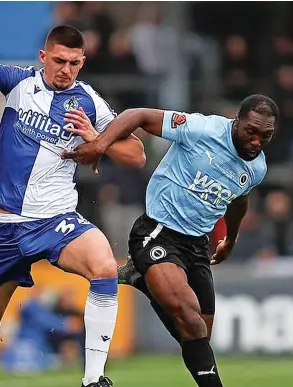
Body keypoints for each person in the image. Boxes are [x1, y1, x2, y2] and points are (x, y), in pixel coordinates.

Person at [0, 12, 146, 387]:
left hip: (55, 220)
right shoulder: (19, 85)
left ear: (82, 63)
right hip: (6, 225)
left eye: (73, 63)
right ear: (43, 57)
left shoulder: (90, 104)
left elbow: (137, 155)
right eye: (59, 61)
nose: (66, 70)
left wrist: (96, 139)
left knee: (103, 265)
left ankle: (94, 379)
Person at [63, 94, 279, 387]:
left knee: (198, 333)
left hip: (197, 246)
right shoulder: (201, 129)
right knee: (189, 318)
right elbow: (137, 114)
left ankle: (142, 279)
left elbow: (239, 201)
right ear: (236, 121)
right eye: (251, 131)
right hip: (157, 233)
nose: (256, 142)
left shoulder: (257, 167)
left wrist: (230, 238)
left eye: (265, 136)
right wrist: (100, 144)